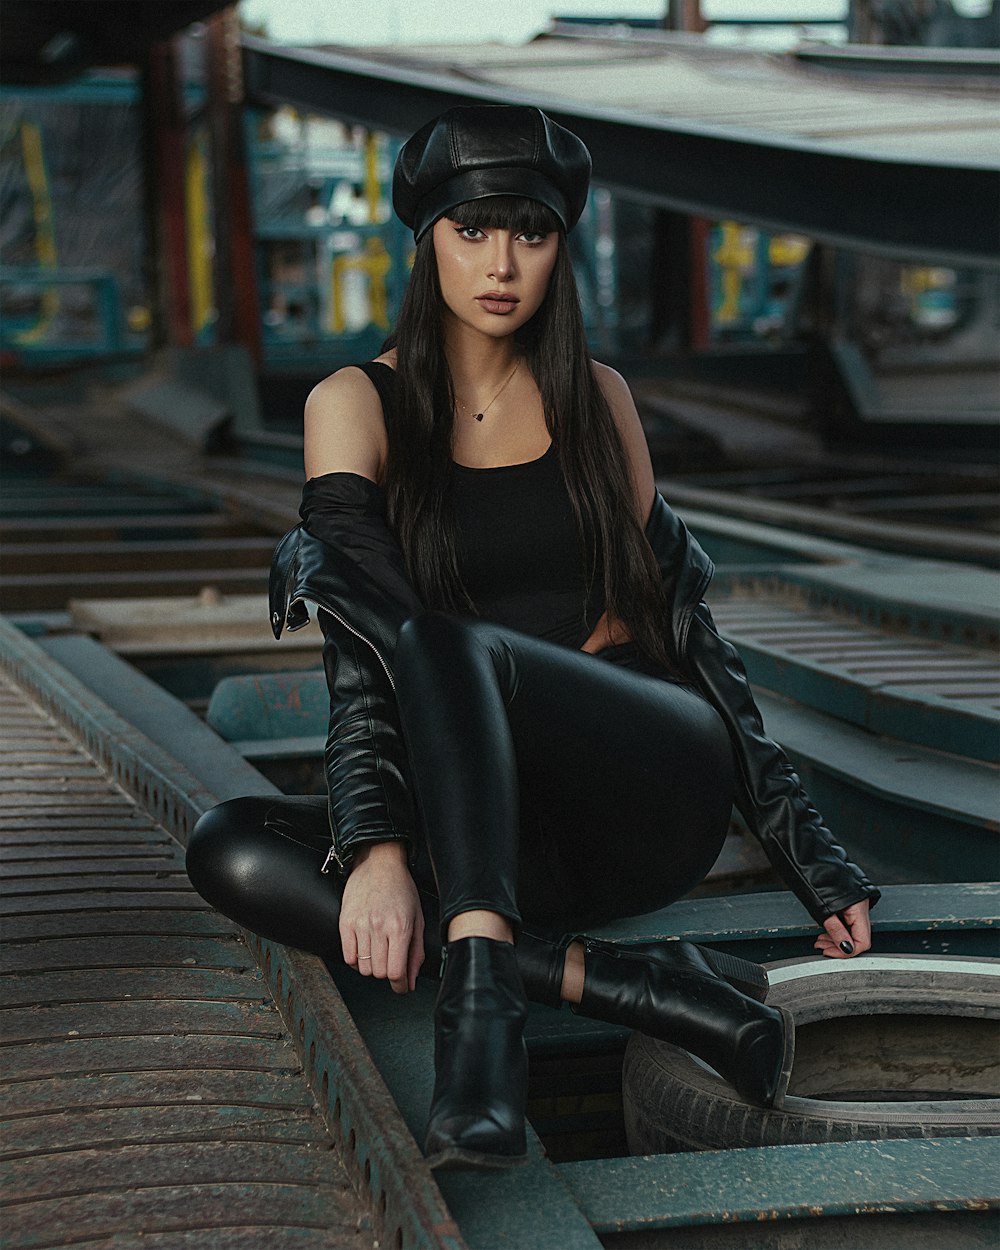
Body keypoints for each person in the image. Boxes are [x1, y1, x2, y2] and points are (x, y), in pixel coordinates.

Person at [187, 105, 878, 1171]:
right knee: (230, 843)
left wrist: (815, 862)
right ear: (426, 241)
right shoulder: (354, 404)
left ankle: (481, 1071)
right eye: (473, 231)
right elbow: (364, 650)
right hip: (491, 831)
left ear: (562, 243)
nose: (501, 262)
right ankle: (633, 986)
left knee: (450, 646)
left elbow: (690, 636)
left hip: (643, 781)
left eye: (530, 232)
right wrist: (375, 853)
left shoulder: (598, 400)